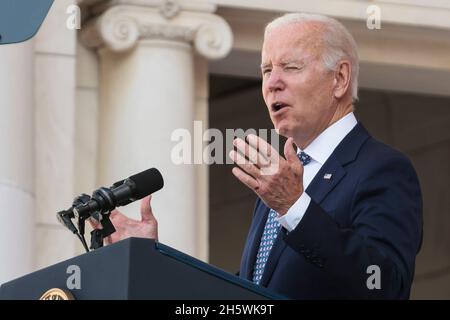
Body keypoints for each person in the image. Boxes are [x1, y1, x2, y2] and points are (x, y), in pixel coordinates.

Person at [93, 13, 423, 299]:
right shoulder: (282, 184)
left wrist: (295, 208)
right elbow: (246, 297)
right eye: (266, 71)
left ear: (339, 79)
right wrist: (153, 260)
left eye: (291, 67)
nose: (272, 84)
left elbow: (384, 286)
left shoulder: (381, 169)